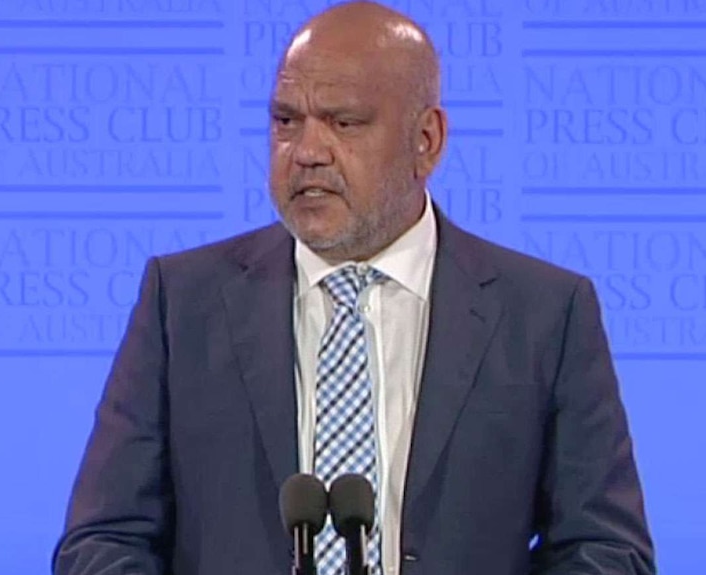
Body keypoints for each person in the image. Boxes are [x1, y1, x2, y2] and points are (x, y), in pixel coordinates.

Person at [51, 1, 656, 574]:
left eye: (344, 122)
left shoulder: (545, 313)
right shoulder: (181, 302)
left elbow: (606, 549)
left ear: (427, 141)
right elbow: (103, 540)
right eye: (286, 121)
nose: (308, 151)